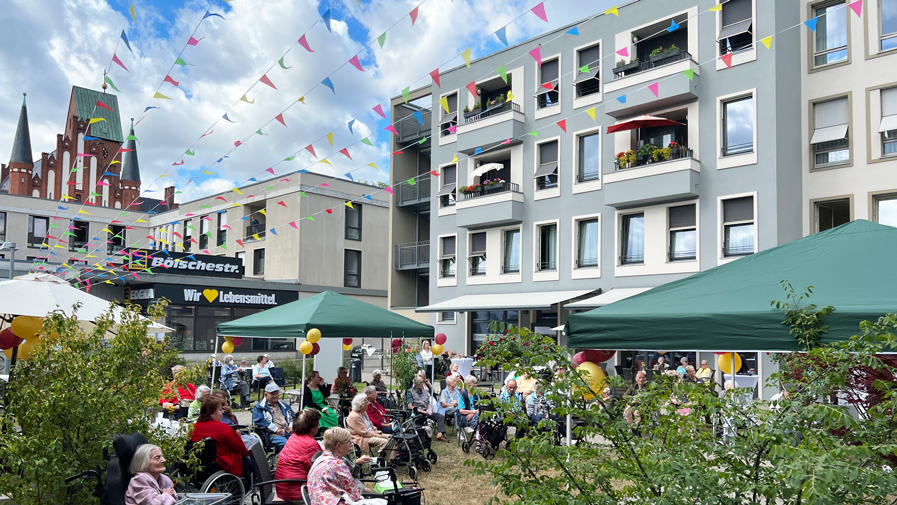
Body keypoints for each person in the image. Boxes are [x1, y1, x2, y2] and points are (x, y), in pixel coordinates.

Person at [306, 428, 374, 505]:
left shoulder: (320, 459)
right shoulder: (337, 464)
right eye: (348, 441)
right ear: (338, 446)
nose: (352, 442)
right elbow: (355, 493)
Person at [191, 396, 251, 478]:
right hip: (222, 464)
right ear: (211, 412)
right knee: (249, 462)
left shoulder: (194, 428)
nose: (223, 412)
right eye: (220, 409)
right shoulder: (222, 428)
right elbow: (240, 448)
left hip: (199, 465)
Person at [275, 409, 323, 501]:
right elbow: (318, 470)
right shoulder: (309, 444)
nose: (319, 425)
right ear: (311, 426)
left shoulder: (294, 437)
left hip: (285, 488)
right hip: (297, 491)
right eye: (318, 423)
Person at [252, 382, 296, 451]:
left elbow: (292, 417)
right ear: (266, 395)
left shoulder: (284, 406)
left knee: (300, 442)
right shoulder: (259, 408)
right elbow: (259, 421)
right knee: (286, 444)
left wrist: (291, 425)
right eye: (272, 394)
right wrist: (276, 429)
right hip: (272, 434)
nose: (275, 396)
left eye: (277, 394)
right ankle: (285, 460)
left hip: (287, 431)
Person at [407, 375, 449, 442]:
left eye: (422, 382)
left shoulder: (425, 392)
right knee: (420, 418)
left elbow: (428, 404)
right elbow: (410, 406)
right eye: (420, 382)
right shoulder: (410, 392)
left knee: (440, 417)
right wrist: (423, 411)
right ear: (415, 383)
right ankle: (421, 437)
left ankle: (439, 434)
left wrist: (430, 410)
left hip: (426, 410)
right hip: (417, 411)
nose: (422, 384)